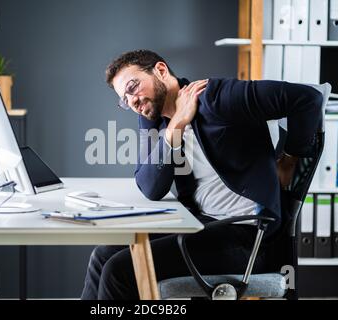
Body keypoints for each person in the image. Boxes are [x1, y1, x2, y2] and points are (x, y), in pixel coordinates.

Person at [81, 50, 323, 300]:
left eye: (133, 87)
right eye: (124, 99)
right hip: (200, 224)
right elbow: (151, 187)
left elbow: (308, 99)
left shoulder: (218, 97)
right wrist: (175, 127)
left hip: (246, 235)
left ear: (161, 71)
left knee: (119, 271)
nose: (132, 101)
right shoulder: (152, 117)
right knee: (103, 255)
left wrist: (290, 159)